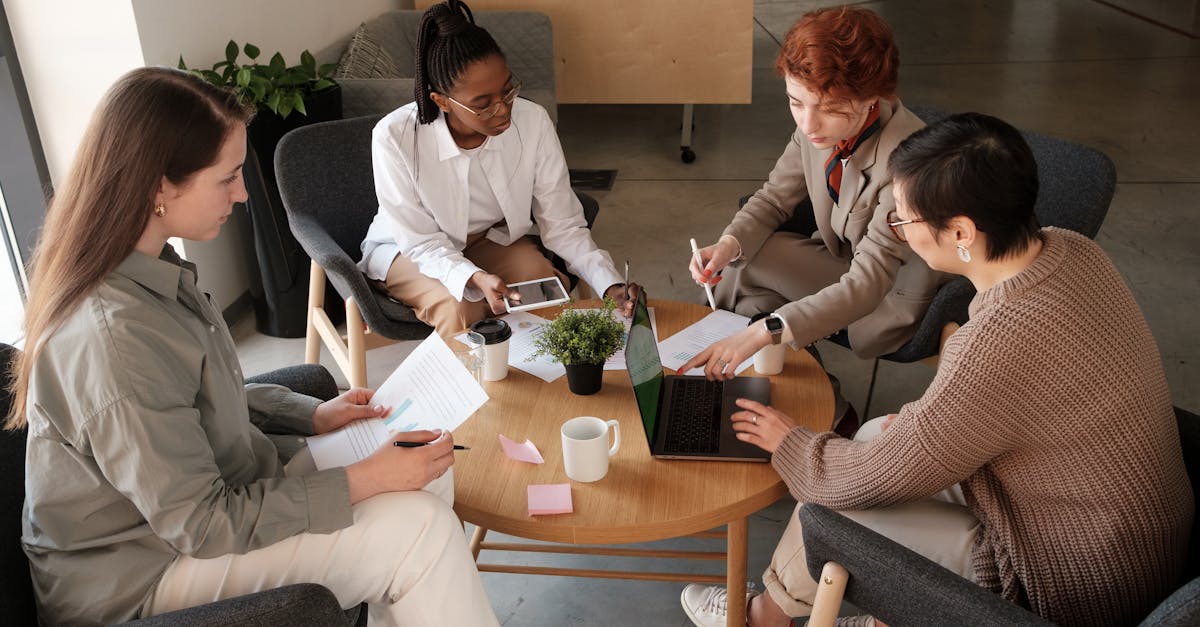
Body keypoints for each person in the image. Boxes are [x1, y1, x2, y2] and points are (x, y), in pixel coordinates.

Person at [8, 66, 499, 626]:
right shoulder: (114, 339)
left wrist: (310, 414)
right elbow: (200, 523)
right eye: (227, 177)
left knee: (423, 465)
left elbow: (195, 397)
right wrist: (367, 480)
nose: (242, 193)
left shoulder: (148, 269)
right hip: (144, 572)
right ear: (161, 186)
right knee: (421, 533)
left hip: (208, 503)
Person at [680, 113, 1194, 627]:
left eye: (904, 221)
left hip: (1072, 584)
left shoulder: (998, 342)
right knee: (877, 433)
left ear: (962, 231)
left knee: (831, 509)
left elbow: (876, 476)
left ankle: (760, 621)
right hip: (1124, 532)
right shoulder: (1072, 249)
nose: (898, 232)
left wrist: (789, 443)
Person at [684, 7, 942, 383]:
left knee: (746, 290)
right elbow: (774, 198)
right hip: (845, 262)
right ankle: (793, 386)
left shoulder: (908, 164)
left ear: (872, 97)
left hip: (890, 291)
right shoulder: (819, 127)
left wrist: (768, 329)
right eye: (795, 102)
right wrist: (727, 245)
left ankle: (702, 369)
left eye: (830, 108)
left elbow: (869, 282)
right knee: (744, 272)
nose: (808, 124)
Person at [359, 0, 639, 338]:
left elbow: (563, 225)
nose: (504, 110)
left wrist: (610, 284)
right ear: (441, 101)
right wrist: (473, 277)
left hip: (489, 239)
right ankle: (475, 375)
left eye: (507, 91)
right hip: (410, 250)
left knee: (543, 287)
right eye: (483, 104)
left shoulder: (532, 121)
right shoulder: (395, 137)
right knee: (461, 306)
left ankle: (542, 373)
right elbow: (419, 242)